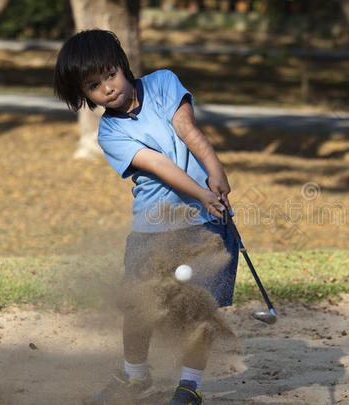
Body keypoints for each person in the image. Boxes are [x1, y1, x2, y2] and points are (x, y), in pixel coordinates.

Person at [53, 29, 238, 405]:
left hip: (205, 223)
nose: (107, 87)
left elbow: (188, 131)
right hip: (152, 228)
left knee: (199, 310)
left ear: (123, 65)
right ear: (83, 95)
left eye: (110, 74)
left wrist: (214, 170)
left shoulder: (164, 82)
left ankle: (189, 385)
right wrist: (202, 192)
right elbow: (160, 164)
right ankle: (135, 376)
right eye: (93, 85)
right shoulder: (110, 132)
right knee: (139, 306)